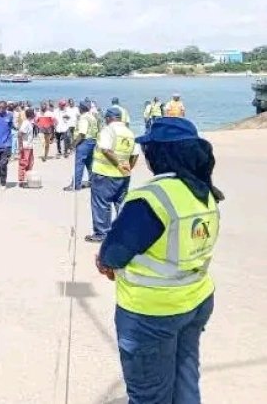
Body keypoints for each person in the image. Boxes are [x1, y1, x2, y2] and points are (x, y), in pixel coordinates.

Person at [95, 117, 220, 403]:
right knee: (186, 380)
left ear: (159, 155)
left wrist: (104, 260)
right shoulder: (205, 192)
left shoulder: (153, 197)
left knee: (149, 394)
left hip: (151, 311)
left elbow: (114, 253)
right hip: (196, 300)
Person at [86, 107, 139, 243]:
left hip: (104, 173)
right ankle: (123, 231)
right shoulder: (129, 132)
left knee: (101, 204)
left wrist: (118, 164)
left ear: (109, 118)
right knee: (121, 204)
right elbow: (135, 154)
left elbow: (105, 149)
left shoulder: (108, 130)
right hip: (123, 176)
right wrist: (128, 168)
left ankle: (102, 233)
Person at [65, 102, 99, 192]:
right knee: (90, 163)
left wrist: (73, 145)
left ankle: (76, 185)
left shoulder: (83, 118)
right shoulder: (92, 117)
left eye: (79, 107)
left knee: (79, 164)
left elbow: (82, 133)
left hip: (84, 142)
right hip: (92, 141)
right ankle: (93, 182)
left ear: (82, 108)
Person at [17, 109, 37, 187]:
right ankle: (21, 181)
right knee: (23, 164)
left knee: (30, 163)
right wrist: (20, 146)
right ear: (32, 115)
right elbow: (20, 134)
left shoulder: (29, 123)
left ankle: (28, 179)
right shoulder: (25, 123)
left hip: (29, 146)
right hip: (25, 147)